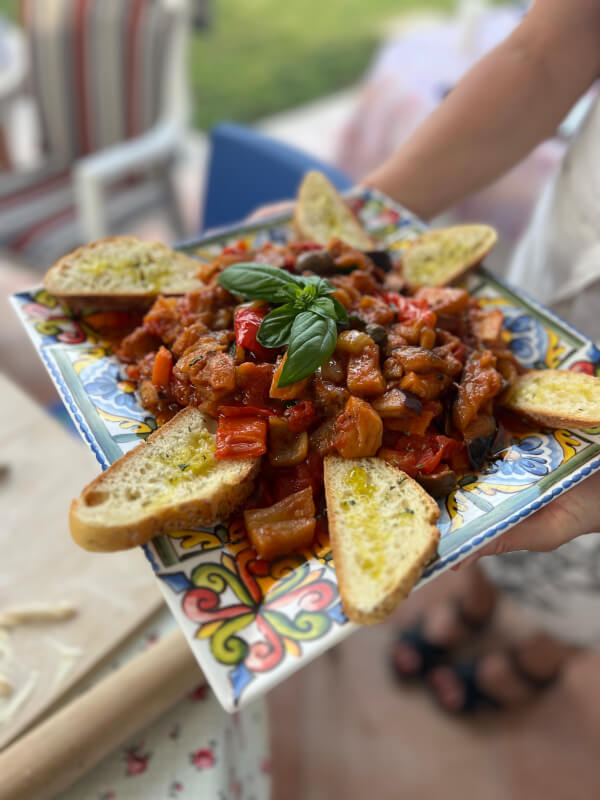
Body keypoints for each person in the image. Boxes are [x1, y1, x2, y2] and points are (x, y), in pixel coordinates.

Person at [359, 0, 600, 713]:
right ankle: (476, 601)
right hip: (570, 249)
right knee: (490, 467)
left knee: (587, 563)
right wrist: (369, 213)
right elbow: (551, 48)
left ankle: (547, 655)